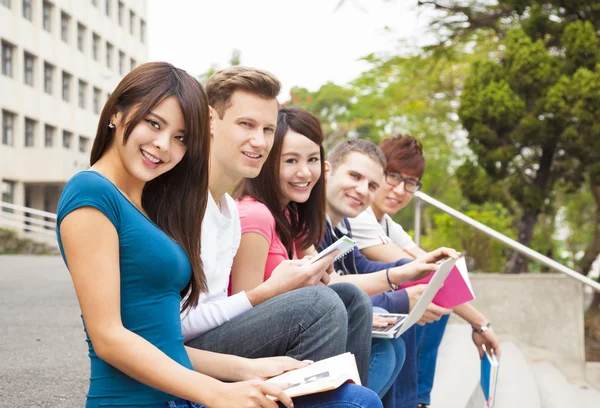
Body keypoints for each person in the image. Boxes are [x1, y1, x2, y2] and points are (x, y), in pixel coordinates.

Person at [55, 62, 381, 408]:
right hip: (141, 399)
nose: (164, 145)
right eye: (153, 124)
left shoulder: (147, 201)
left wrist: (245, 367)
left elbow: (163, 338)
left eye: (181, 137)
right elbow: (108, 337)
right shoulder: (91, 192)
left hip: (181, 391)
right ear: (116, 113)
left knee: (360, 397)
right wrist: (218, 392)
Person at [179, 66, 382, 406]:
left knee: (349, 300)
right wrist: (270, 292)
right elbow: (166, 332)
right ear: (210, 121)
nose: (260, 141)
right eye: (246, 124)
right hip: (190, 357)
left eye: (268, 129)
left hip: (216, 336)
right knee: (320, 304)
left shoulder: (228, 210)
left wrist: (284, 288)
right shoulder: (187, 204)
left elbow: (222, 307)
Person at [230, 107, 406, 403]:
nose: (305, 172)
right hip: (238, 346)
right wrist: (295, 288)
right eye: (291, 161)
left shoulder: (290, 217)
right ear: (270, 161)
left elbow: (329, 286)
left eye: (312, 160)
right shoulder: (255, 215)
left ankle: (344, 395)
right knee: (327, 301)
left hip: (289, 329)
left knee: (351, 297)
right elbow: (243, 309)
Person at [348, 134, 502, 408]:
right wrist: (479, 323)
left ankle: (418, 399)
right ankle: (410, 402)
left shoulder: (387, 223)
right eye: (392, 176)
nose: (400, 190)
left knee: (437, 303)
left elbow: (434, 268)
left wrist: (476, 319)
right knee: (418, 294)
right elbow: (416, 271)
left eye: (410, 182)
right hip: (355, 303)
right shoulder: (359, 217)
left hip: (370, 300)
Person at [318, 138, 461, 408]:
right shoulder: (322, 221)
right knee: (392, 332)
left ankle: (417, 400)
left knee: (411, 315)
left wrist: (410, 270)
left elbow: (363, 266)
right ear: (328, 172)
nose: (362, 189)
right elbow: (328, 287)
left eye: (371, 184)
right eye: (354, 176)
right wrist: (402, 287)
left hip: (340, 308)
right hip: (322, 321)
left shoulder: (346, 222)